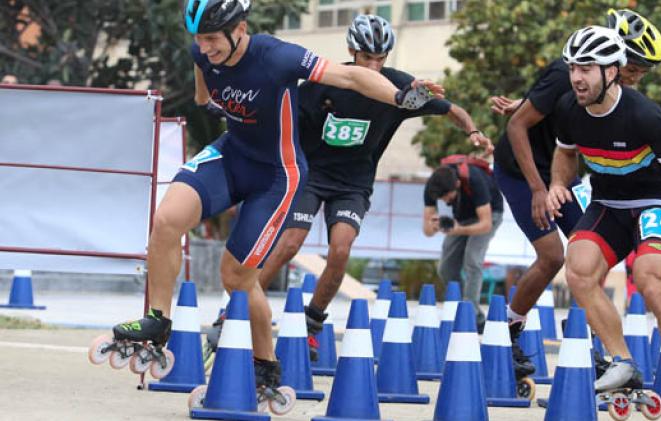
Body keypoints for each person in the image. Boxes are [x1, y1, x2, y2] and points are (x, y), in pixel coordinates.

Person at [105, 0, 443, 399]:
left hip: (277, 176)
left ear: (241, 29)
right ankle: (158, 321)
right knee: (166, 221)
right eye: (199, 38)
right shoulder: (203, 50)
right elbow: (202, 87)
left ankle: (265, 365)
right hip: (232, 154)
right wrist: (207, 100)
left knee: (237, 277)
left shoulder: (277, 55)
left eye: (212, 38)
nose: (205, 46)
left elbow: (350, 78)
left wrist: (401, 96)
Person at [252, 14, 491, 359]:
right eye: (367, 58)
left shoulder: (395, 88)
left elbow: (451, 108)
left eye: (380, 59)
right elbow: (282, 116)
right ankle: (240, 305)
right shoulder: (327, 80)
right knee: (290, 242)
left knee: (340, 251)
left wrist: (472, 131)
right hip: (312, 175)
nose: (374, 66)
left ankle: (312, 326)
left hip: (353, 183)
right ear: (352, 51)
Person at [490, 7, 661, 376]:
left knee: (590, 252)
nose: (635, 79)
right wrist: (539, 190)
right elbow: (517, 129)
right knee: (552, 256)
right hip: (522, 173)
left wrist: (523, 104)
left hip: (560, 173)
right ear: (614, 59)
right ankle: (507, 332)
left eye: (640, 74)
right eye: (633, 69)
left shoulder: (612, 88)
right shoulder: (565, 72)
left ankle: (595, 347)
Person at [548, 25, 661, 393]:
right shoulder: (569, 108)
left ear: (611, 71)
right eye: (573, 67)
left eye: (586, 68)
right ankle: (622, 361)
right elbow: (565, 153)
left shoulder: (644, 115)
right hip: (608, 204)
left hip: (653, 204)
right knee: (579, 268)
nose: (576, 77)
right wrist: (558, 183)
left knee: (652, 282)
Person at [422, 160, 504, 331]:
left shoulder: (475, 180)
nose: (444, 201)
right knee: (446, 268)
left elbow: (486, 224)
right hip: (462, 218)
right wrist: (434, 225)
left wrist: (459, 230)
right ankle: (461, 308)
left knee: (472, 260)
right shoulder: (433, 186)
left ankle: (473, 315)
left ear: (457, 184)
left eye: (448, 196)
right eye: (441, 198)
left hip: (489, 215)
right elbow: (427, 232)